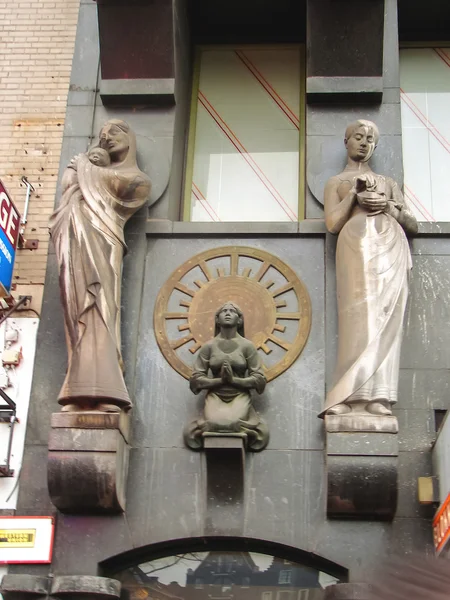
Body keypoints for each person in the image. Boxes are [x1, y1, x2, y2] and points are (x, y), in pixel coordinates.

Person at [49, 119, 151, 412]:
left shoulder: (136, 178)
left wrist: (83, 165)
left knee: (102, 311)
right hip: (72, 241)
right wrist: (77, 169)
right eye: (102, 135)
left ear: (130, 138)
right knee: (76, 314)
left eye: (114, 132)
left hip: (104, 245)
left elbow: (126, 187)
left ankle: (108, 390)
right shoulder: (86, 169)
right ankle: (77, 392)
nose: (106, 138)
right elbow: (68, 188)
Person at [321, 120, 418, 418]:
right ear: (346, 141)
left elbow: (412, 224)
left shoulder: (388, 183)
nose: (363, 143)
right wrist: (354, 197)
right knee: (358, 320)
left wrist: (388, 206)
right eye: (358, 137)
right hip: (354, 247)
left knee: (386, 320)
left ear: (375, 146)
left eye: (370, 139)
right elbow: (333, 224)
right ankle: (347, 394)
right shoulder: (336, 182)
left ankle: (380, 396)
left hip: (390, 247)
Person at [184, 302, 269, 450]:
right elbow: (196, 380)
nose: (228, 313)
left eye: (232, 311)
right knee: (214, 425)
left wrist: (233, 380)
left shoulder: (247, 346)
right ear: (217, 319)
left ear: (240, 320)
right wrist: (220, 381)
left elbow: (259, 379)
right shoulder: (209, 347)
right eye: (224, 311)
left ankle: (252, 429)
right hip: (216, 395)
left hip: (239, 395)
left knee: (233, 424)